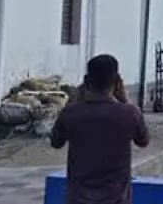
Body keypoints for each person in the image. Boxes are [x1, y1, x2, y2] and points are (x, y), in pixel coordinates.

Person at [51, 55, 150, 204]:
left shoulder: (71, 114)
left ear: (86, 81)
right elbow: (143, 141)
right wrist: (125, 100)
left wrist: (73, 101)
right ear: (117, 82)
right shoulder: (130, 114)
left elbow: (56, 142)